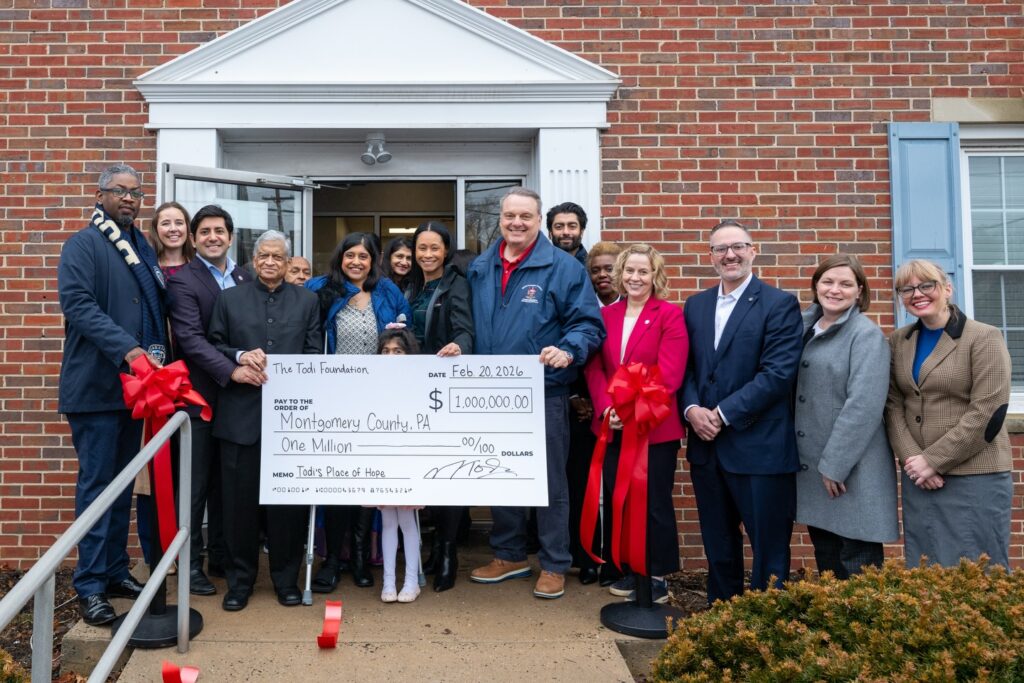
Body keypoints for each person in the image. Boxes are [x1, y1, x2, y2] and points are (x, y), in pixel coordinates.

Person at [467, 187, 604, 600]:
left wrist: (568, 350)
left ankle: (555, 562)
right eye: (510, 216)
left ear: (537, 219)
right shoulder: (480, 266)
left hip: (542, 393)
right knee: (499, 474)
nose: (516, 223)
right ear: (500, 219)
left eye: (525, 216)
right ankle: (509, 555)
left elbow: (588, 325)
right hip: (490, 395)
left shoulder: (563, 268)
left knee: (548, 482)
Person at [58, 164, 162, 625]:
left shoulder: (141, 247)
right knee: (98, 488)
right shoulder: (83, 245)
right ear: (99, 195)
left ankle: (116, 569)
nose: (130, 199)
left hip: (134, 392)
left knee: (121, 489)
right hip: (97, 390)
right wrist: (130, 348)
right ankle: (91, 584)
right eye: (120, 191)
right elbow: (79, 305)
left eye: (137, 193)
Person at [680, 219, 803, 604]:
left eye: (738, 247)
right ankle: (721, 620)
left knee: (768, 551)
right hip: (706, 450)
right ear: (710, 256)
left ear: (754, 250)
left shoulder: (779, 304)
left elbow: (778, 374)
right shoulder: (696, 306)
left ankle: (765, 631)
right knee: (718, 548)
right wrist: (691, 409)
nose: (729, 255)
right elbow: (688, 370)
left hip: (759, 450)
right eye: (720, 249)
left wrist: (720, 413)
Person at [207, 230, 321, 611]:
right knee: (239, 509)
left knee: (286, 509)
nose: (270, 262)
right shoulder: (229, 299)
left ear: (289, 263)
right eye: (264, 256)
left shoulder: (307, 301)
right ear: (253, 261)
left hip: (291, 423)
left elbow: (313, 353)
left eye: (278, 257)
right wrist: (239, 356)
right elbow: (214, 346)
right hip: (240, 420)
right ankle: (239, 583)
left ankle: (286, 581)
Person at [885, 260, 1012, 568]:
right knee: (926, 568)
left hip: (974, 475)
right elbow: (892, 403)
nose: (917, 294)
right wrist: (914, 462)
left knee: (979, 572)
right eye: (907, 288)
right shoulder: (899, 341)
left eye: (926, 285)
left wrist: (933, 460)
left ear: (947, 288)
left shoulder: (983, 337)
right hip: (921, 479)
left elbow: (988, 412)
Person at [305, 233, 412, 591]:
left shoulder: (387, 292)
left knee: (371, 482)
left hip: (380, 399)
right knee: (338, 483)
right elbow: (308, 333)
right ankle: (334, 559)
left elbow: (404, 339)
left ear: (374, 260)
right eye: (350, 255)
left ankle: (363, 559)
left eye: (363, 257)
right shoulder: (322, 288)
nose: (356, 262)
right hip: (336, 398)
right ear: (340, 257)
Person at [584, 244, 688, 603]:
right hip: (613, 425)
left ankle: (656, 575)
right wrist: (605, 409)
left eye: (643, 272)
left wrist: (630, 410)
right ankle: (631, 568)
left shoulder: (669, 315)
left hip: (654, 428)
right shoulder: (606, 315)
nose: (635, 278)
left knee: (654, 502)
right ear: (620, 275)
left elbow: (670, 374)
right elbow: (595, 368)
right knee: (621, 500)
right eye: (629, 271)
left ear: (655, 275)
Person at [794, 254, 897, 579]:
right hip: (813, 465)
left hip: (851, 469)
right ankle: (833, 628)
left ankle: (867, 630)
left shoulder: (864, 335)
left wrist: (835, 465)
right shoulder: (803, 327)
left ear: (860, 291)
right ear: (815, 286)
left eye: (845, 284)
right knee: (826, 556)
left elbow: (863, 406)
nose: (834, 289)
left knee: (857, 562)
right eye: (827, 281)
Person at [167, 205, 250, 596]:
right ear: (194, 238)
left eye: (220, 230)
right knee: (195, 487)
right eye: (205, 232)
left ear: (231, 237)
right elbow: (190, 339)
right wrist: (231, 370)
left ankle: (220, 555)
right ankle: (191, 566)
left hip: (238, 404)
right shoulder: (183, 280)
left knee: (224, 485)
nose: (213, 237)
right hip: (199, 398)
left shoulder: (244, 277)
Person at [403, 221, 474, 592]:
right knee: (424, 471)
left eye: (434, 248)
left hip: (444, 387)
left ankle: (447, 552)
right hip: (410, 389)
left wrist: (460, 345)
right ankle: (430, 551)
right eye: (421, 248)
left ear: (446, 251)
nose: (427, 254)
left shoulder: (455, 284)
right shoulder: (410, 284)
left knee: (448, 472)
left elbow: (465, 327)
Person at [376, 327, 424, 603]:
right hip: (382, 457)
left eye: (398, 351)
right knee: (387, 520)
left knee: (406, 519)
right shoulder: (373, 384)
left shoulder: (416, 382)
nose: (391, 356)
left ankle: (410, 581)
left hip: (408, 459)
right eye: (386, 351)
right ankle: (388, 582)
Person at [148, 201, 195, 279]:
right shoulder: (148, 267)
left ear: (187, 227)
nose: (173, 229)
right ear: (156, 229)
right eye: (165, 223)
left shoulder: (200, 264)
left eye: (179, 223)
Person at [546, 201, 589, 266]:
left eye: (572, 226)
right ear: (550, 233)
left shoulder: (593, 267)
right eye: (559, 227)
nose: (566, 232)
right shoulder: (539, 267)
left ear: (581, 232)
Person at [586, 241, 623, 308]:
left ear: (621, 271)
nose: (602, 274)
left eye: (609, 269)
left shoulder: (632, 308)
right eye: (595, 271)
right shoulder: (582, 308)